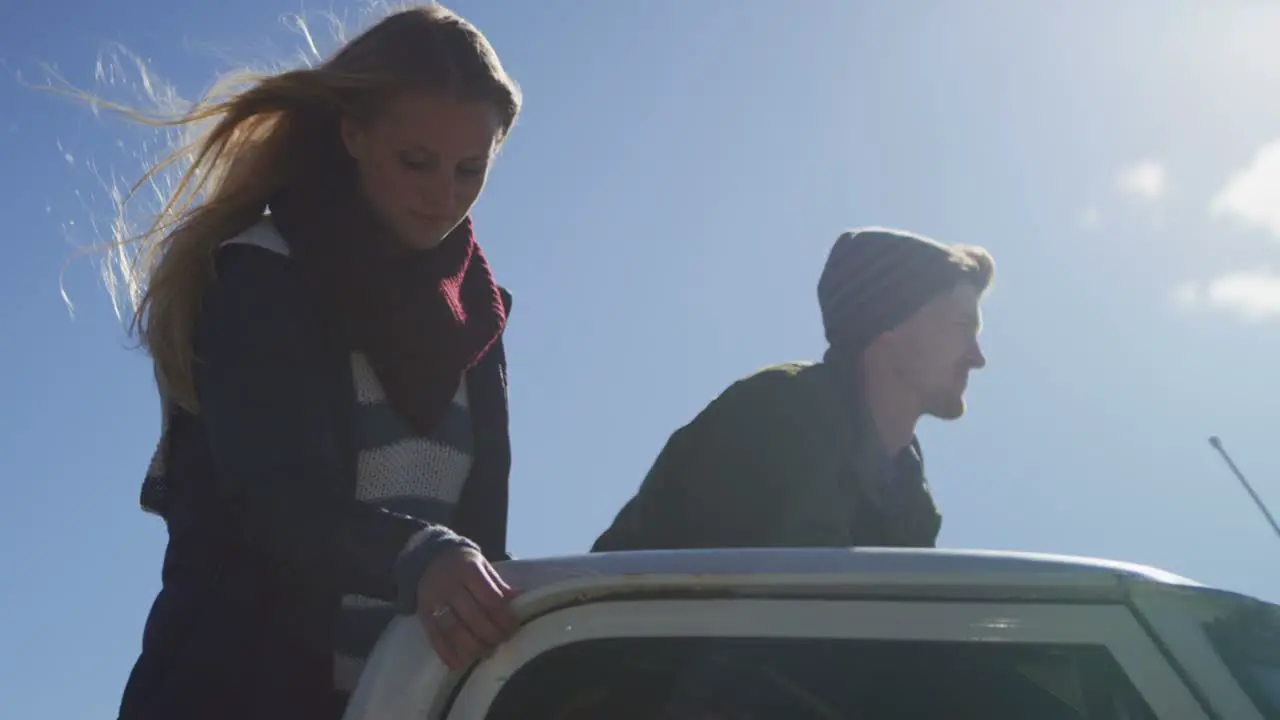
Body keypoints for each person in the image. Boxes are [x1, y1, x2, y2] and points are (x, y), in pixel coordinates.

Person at [112, 6, 523, 719]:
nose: (443, 196)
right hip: (232, 696)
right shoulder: (261, 275)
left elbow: (484, 539)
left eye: (470, 169)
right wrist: (419, 556)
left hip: (399, 701)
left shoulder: (478, 314)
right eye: (416, 162)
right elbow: (275, 499)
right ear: (353, 133)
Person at [592, 228, 994, 552]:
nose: (977, 358)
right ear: (886, 324)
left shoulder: (908, 491)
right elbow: (820, 615)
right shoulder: (781, 415)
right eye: (961, 328)